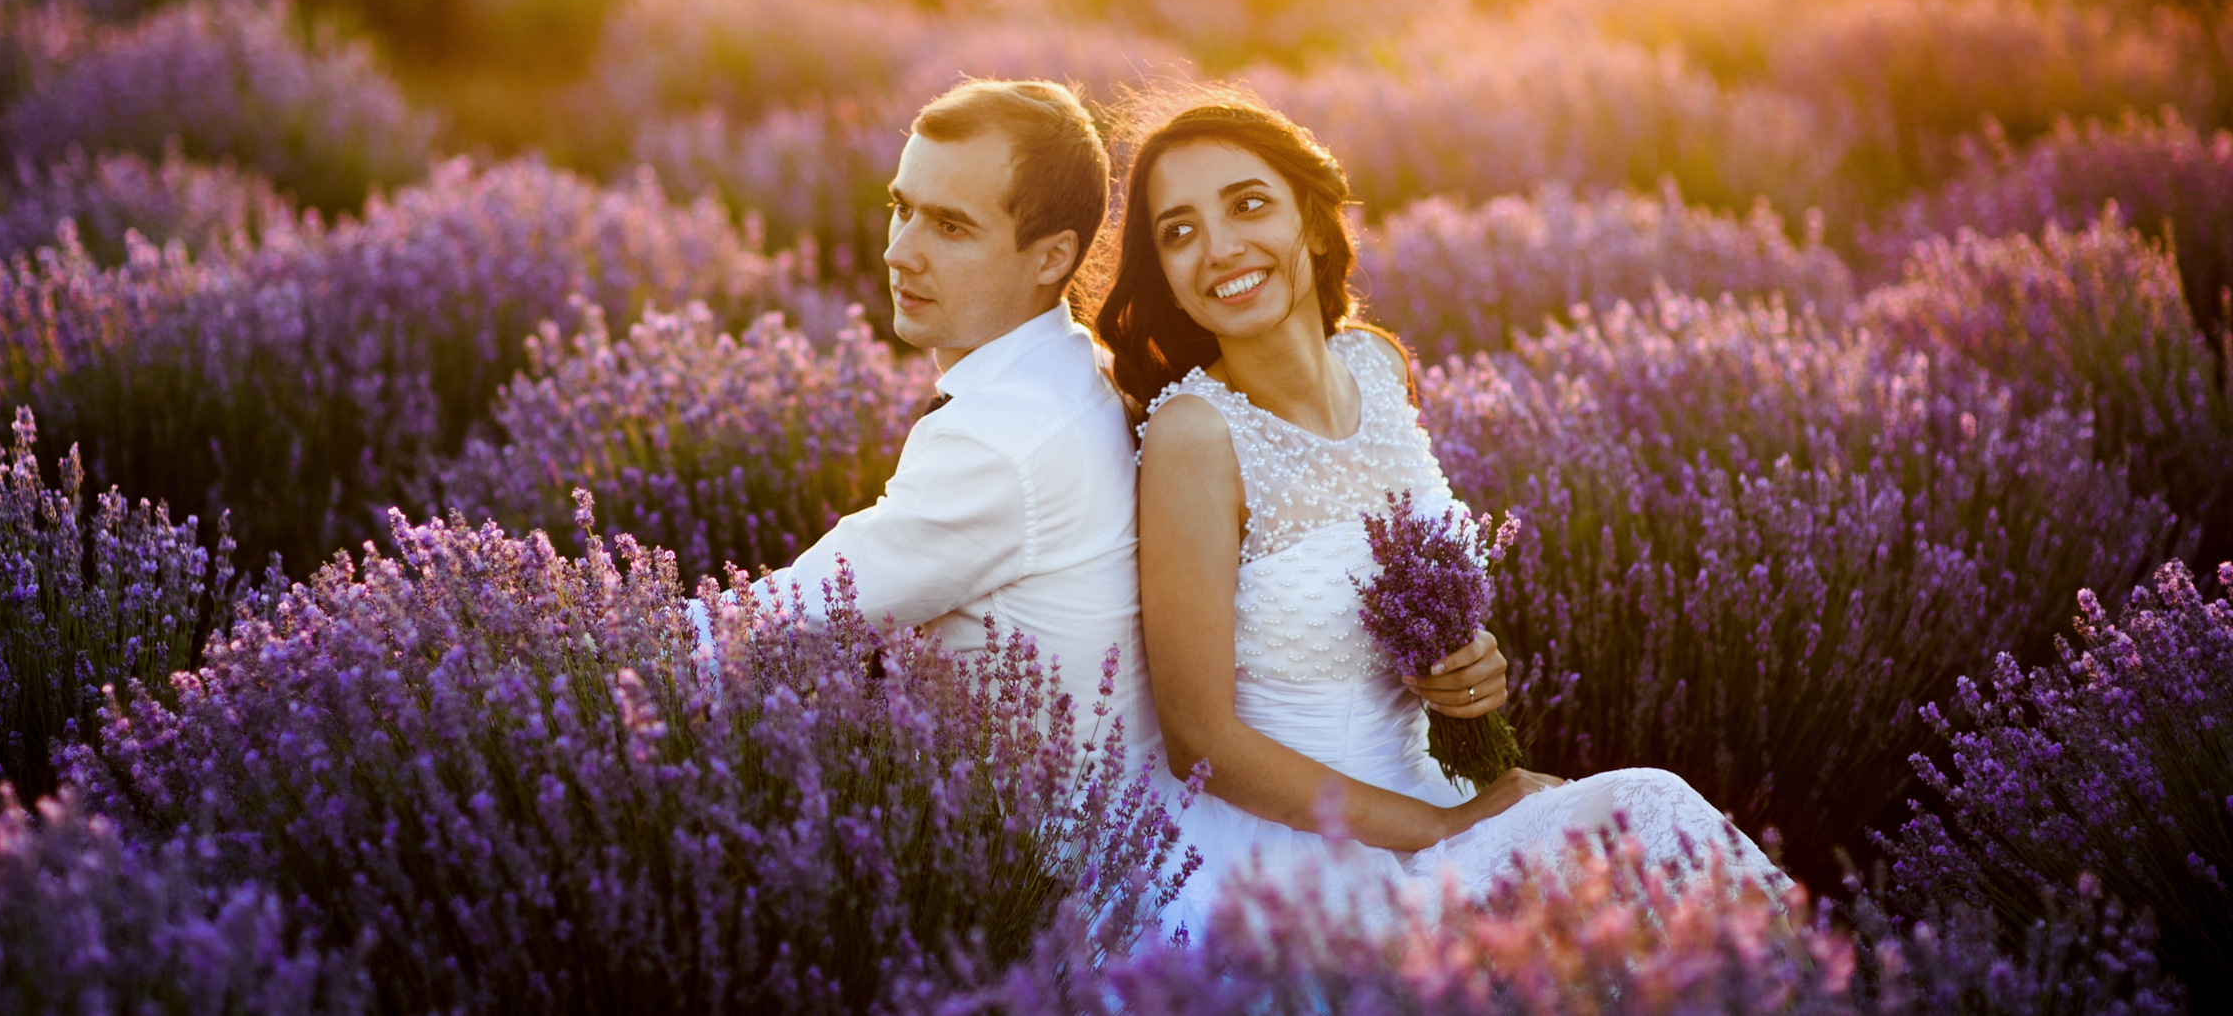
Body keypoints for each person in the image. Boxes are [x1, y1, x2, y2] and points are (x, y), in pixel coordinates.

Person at [1097, 92, 1789, 939]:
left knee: (1660, 863)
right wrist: (1437, 829)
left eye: (1248, 204)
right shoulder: (1195, 436)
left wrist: (1468, 675)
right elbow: (1199, 738)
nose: (1220, 248)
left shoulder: (1376, 366)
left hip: (1438, 788)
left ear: (1313, 224)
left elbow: (1397, 604)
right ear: (1165, 274)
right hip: (1301, 851)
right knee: (1647, 809)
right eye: (1180, 230)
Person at [693, 78, 1154, 764]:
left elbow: (791, 615)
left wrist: (598, 638)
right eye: (899, 208)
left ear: (1054, 257)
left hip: (1044, 855)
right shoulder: (1080, 367)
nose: (898, 252)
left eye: (950, 226)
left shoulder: (1002, 440)